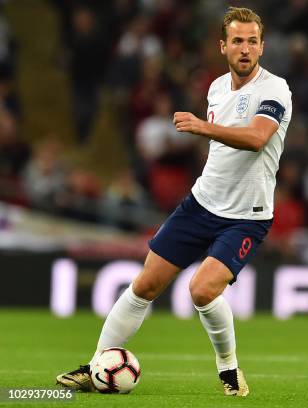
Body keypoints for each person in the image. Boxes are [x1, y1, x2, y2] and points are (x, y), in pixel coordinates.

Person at [55, 7, 292, 397]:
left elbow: (256, 139)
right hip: (201, 204)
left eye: (252, 41)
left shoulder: (274, 89)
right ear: (223, 46)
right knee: (145, 284)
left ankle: (228, 368)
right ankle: (98, 363)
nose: (245, 48)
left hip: (246, 217)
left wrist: (202, 126)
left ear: (262, 46)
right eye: (237, 41)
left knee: (201, 290)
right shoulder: (217, 88)